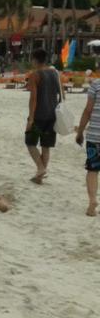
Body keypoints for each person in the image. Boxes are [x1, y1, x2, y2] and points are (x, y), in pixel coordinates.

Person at [25, 48, 63, 184]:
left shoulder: (35, 75)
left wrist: (30, 118)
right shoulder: (55, 73)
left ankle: (41, 169)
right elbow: (62, 95)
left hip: (39, 116)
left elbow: (33, 98)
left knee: (30, 143)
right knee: (46, 146)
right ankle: (39, 177)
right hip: (52, 116)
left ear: (35, 59)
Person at [75, 75, 100, 215]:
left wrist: (80, 132)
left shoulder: (96, 85)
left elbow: (88, 110)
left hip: (95, 136)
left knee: (93, 170)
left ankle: (92, 201)